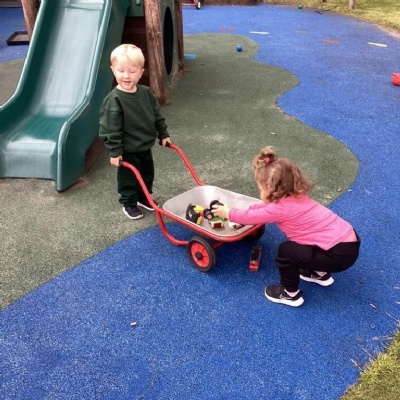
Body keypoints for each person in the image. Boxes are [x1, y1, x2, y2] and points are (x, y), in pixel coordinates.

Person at [212, 146, 360, 307]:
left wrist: (228, 213)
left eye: (261, 188)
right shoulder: (297, 196)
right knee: (306, 244)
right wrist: (249, 209)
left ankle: (290, 294)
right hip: (348, 241)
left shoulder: (279, 209)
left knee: (287, 252)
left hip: (336, 256)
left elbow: (253, 217)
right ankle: (319, 273)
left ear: (270, 190)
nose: (260, 192)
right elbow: (264, 209)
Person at [99, 44, 171, 220]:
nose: (126, 76)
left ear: (140, 72)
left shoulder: (145, 93)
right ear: (113, 70)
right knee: (129, 178)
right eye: (121, 71)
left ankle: (143, 197)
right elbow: (110, 128)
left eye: (132, 71)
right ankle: (129, 203)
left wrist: (163, 134)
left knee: (147, 174)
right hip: (127, 150)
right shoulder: (114, 100)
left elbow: (157, 115)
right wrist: (115, 151)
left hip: (144, 145)